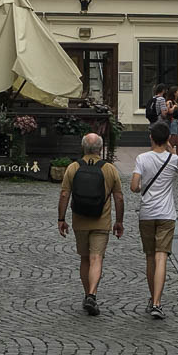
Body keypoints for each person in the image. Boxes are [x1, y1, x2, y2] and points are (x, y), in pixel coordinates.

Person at [58, 133, 124, 317]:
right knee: (97, 258)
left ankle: (86, 294)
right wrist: (119, 221)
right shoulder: (109, 169)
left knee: (85, 258)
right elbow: (118, 197)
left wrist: (61, 219)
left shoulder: (73, 167)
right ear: (100, 149)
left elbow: (64, 195)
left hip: (80, 220)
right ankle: (92, 294)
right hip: (101, 221)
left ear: (83, 148)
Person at [131, 121, 178, 319]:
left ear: (151, 138)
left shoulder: (142, 158)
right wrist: (169, 146)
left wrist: (142, 185)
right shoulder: (173, 160)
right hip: (167, 214)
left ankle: (152, 297)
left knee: (150, 257)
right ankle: (157, 302)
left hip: (147, 214)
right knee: (162, 257)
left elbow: (134, 186)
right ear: (167, 139)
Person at [167, 87, 178, 160]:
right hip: (173, 123)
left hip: (177, 123)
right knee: (172, 143)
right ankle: (169, 158)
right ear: (174, 93)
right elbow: (169, 111)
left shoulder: (175, 102)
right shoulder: (170, 102)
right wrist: (174, 107)